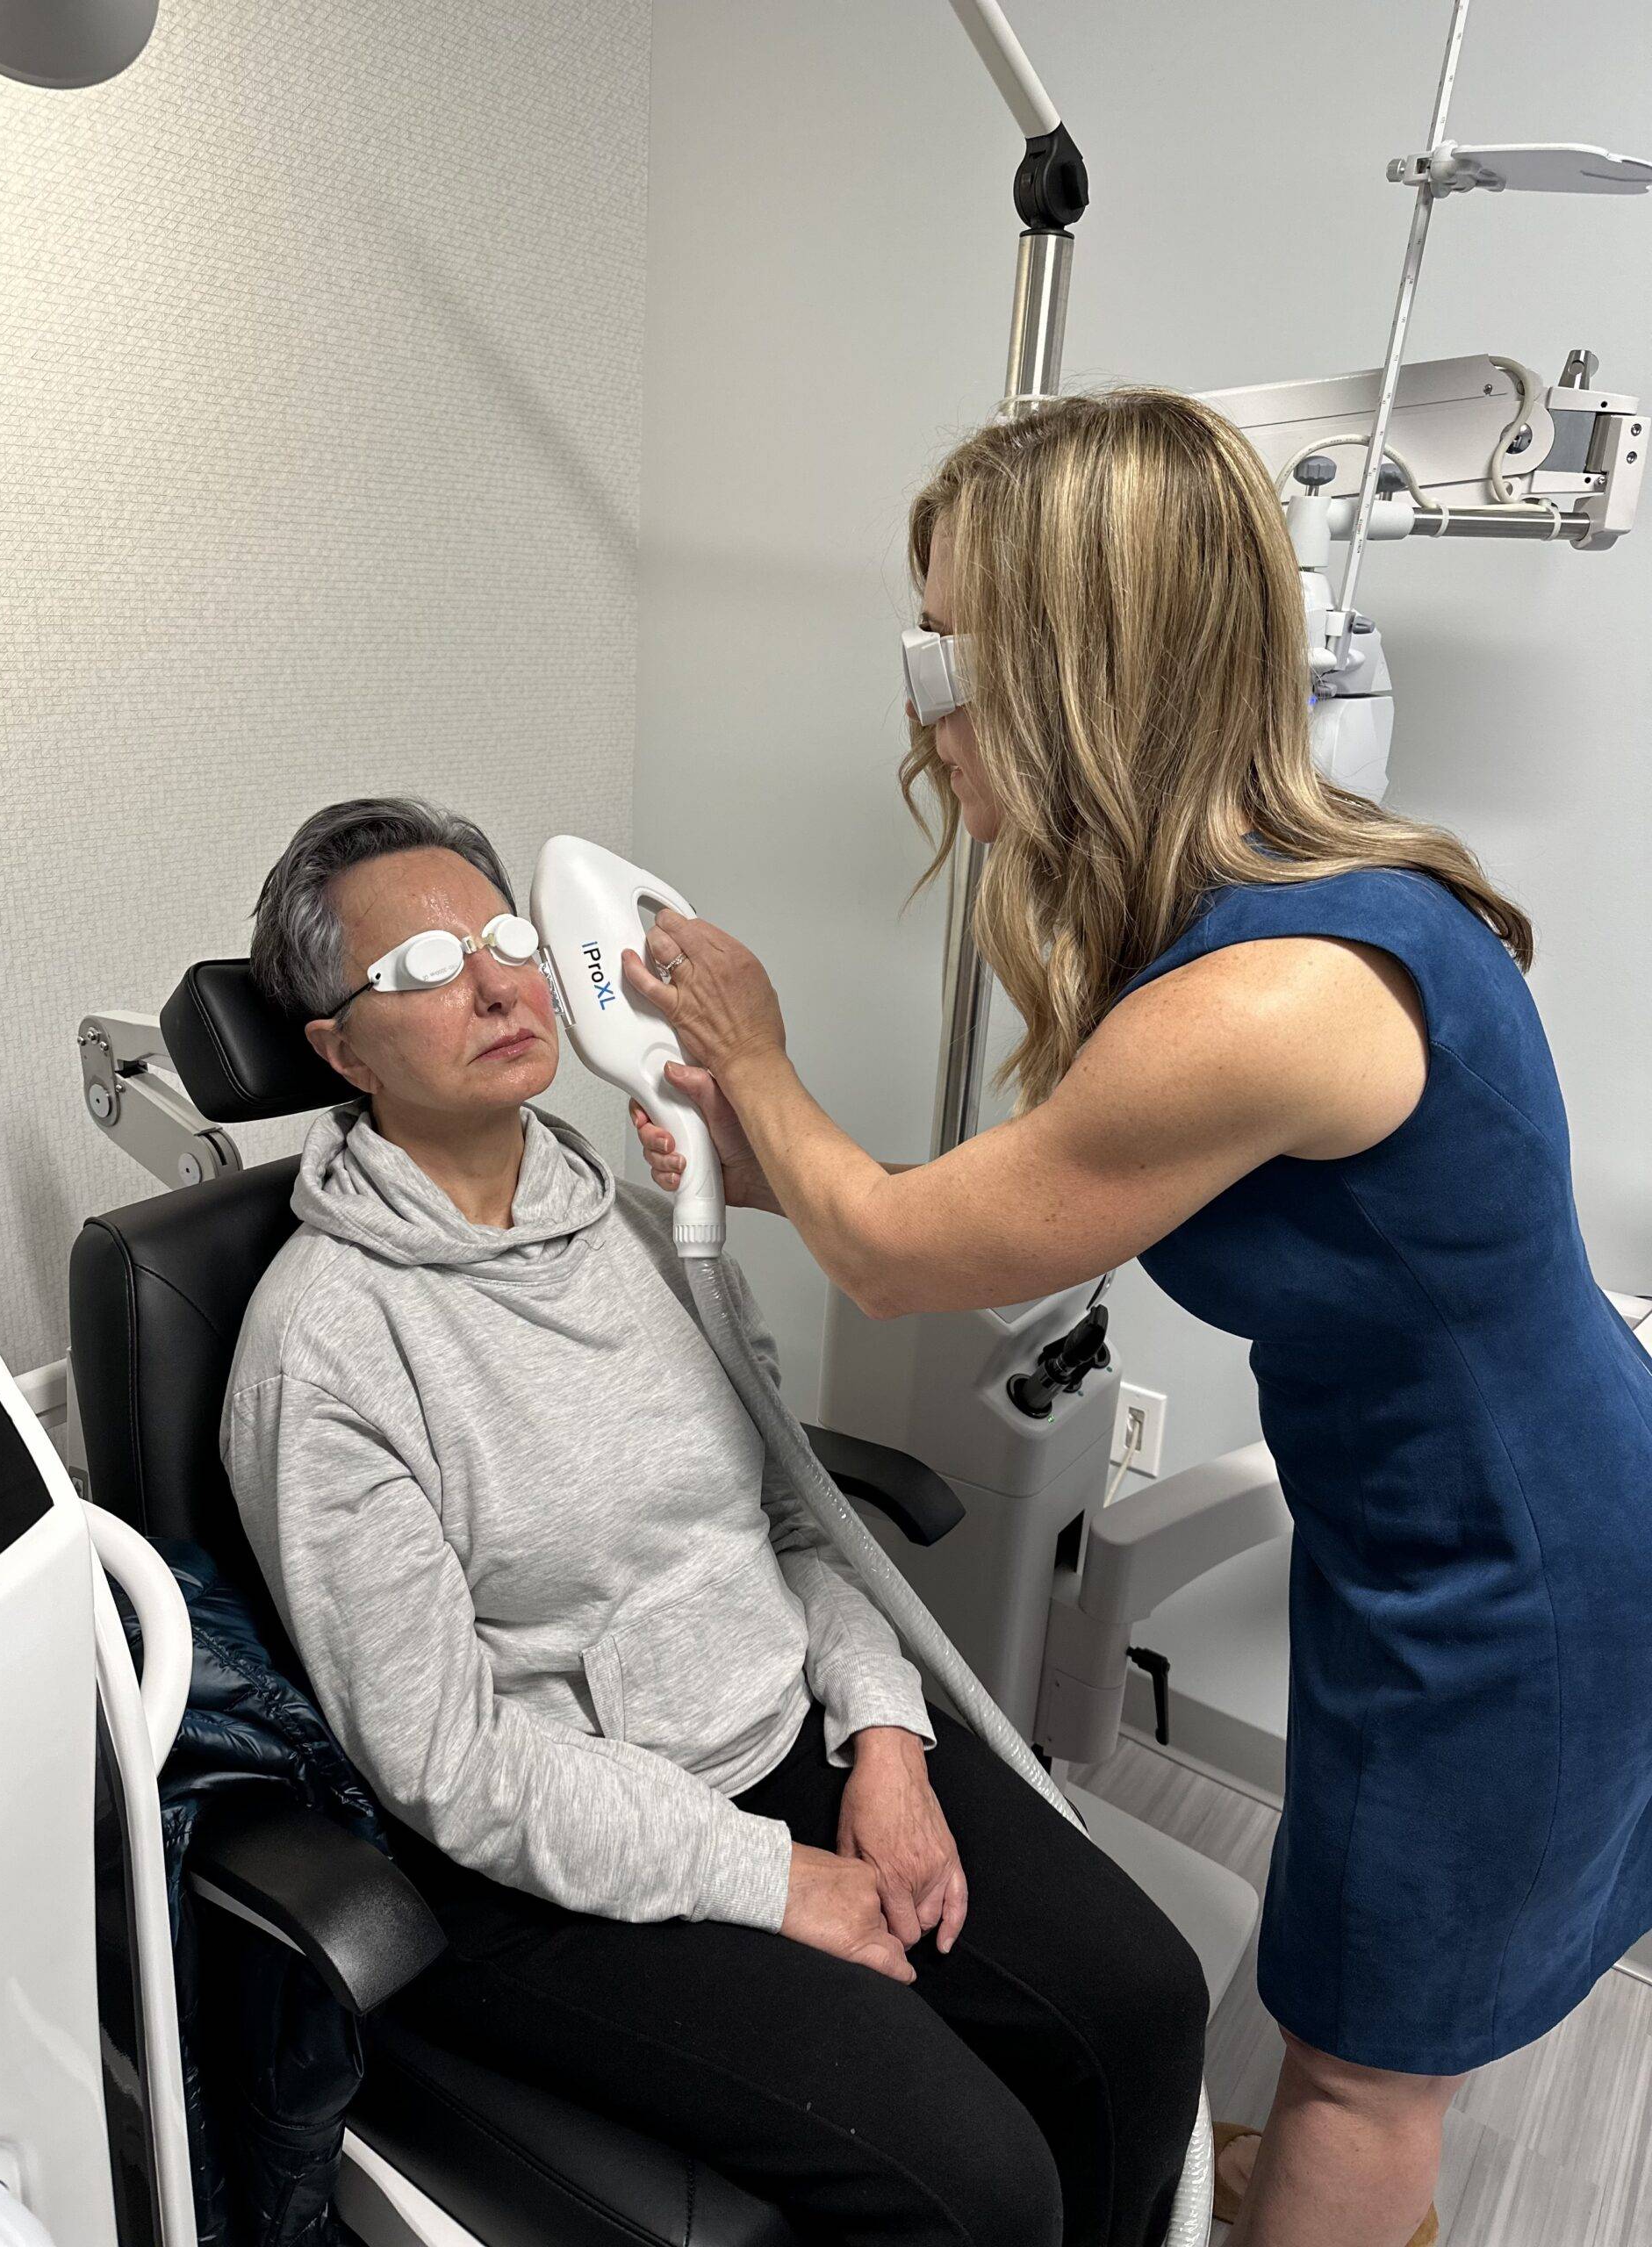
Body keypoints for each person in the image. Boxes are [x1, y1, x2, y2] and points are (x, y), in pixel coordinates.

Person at [621, 388, 1652, 2247]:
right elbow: (1006, 1206)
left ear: (1083, 662)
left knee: (1363, 2065)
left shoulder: (1265, 1001)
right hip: (1464, 1502)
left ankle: (1336, 2178)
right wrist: (773, 1166)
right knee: (1357, 1991)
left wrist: (755, 1054)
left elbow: (901, 1259)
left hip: (1523, 1575)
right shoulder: (1295, 898)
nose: (924, 715)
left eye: (947, 651)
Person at [220, 794, 1208, 2247]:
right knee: (982, 2184)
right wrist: (767, 1879)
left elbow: (796, 1525)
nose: (495, 986)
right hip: (558, 1856)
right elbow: (452, 1765)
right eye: (423, 969)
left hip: (784, 1733)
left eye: (507, 942)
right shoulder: (325, 1351)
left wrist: (886, 1735)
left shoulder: (642, 1228)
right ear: (340, 1050)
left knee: (1145, 2003)